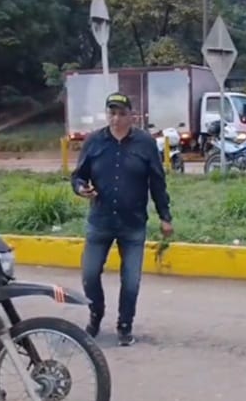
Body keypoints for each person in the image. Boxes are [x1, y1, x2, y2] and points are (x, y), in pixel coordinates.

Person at [70, 92, 173, 346]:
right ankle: (96, 314)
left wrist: (165, 216)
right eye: (112, 113)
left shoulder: (145, 143)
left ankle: (125, 325)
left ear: (131, 116)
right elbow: (78, 176)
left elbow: (157, 182)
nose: (116, 119)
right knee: (90, 274)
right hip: (100, 221)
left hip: (133, 224)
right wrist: (81, 188)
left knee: (131, 281)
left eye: (121, 114)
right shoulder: (94, 141)